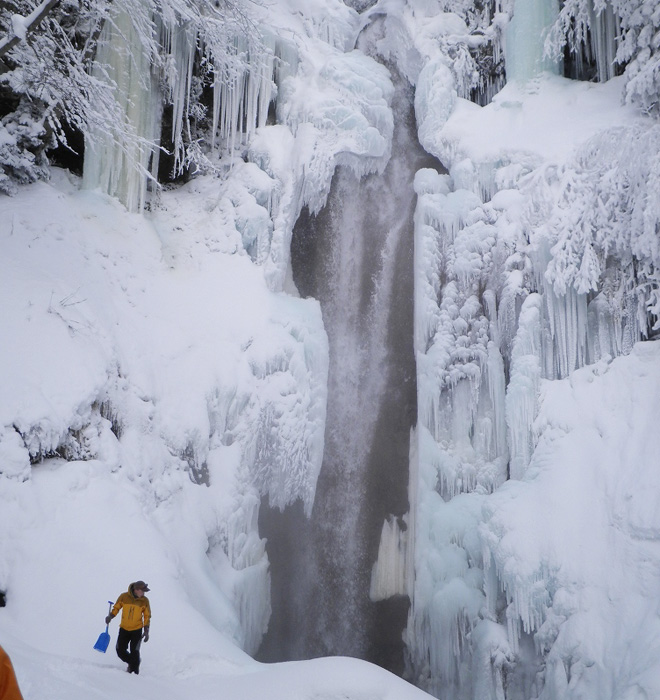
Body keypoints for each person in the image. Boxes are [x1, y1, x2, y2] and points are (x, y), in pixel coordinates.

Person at [106, 581, 151, 674]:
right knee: (120, 651)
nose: (143, 593)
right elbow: (116, 608)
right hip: (124, 629)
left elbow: (147, 616)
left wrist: (146, 631)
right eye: (142, 591)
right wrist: (110, 616)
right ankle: (134, 663)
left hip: (137, 630)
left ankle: (134, 674)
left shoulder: (144, 601)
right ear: (136, 590)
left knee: (135, 652)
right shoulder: (124, 597)